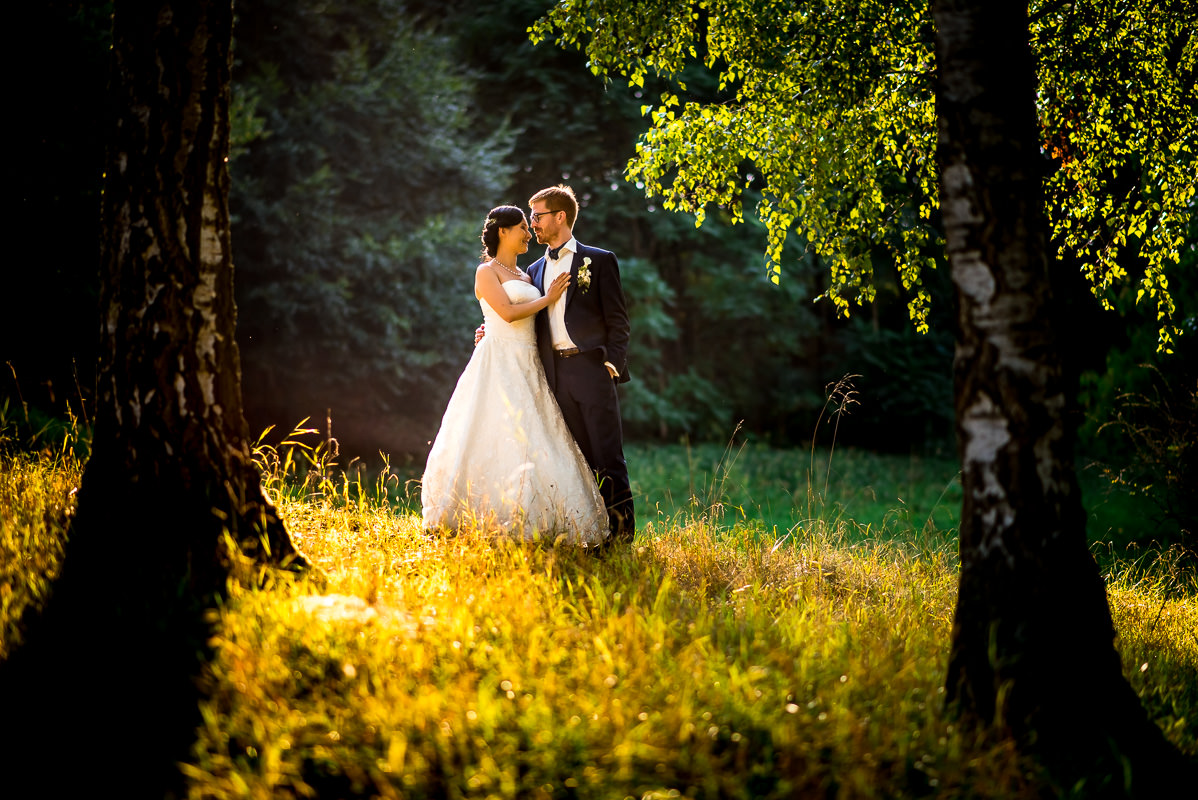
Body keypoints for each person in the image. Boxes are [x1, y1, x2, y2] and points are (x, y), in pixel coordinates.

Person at [421, 205, 609, 546]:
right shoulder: (486, 271)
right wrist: (548, 298)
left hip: (530, 363)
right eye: (524, 226)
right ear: (503, 231)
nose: (529, 232)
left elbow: (533, 321)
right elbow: (505, 313)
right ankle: (480, 514)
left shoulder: (527, 275)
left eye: (530, 224)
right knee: (491, 431)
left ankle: (543, 515)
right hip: (498, 361)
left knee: (535, 436)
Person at [524, 185, 636, 543]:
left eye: (538, 216)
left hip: (591, 370)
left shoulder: (599, 260)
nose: (532, 224)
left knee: (608, 458)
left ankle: (621, 539)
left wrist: (611, 365)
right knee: (573, 459)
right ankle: (587, 533)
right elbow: (529, 319)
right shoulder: (534, 268)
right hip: (553, 375)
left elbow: (618, 321)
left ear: (560, 216)